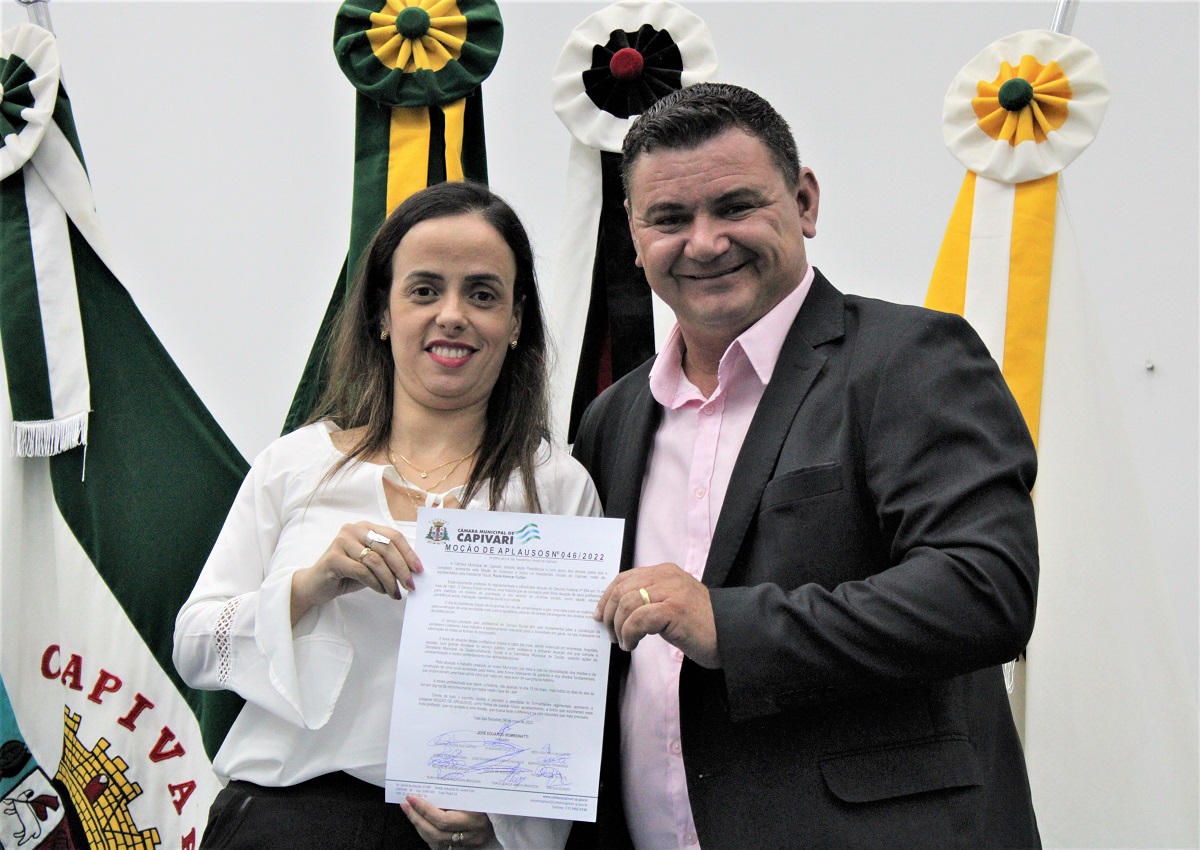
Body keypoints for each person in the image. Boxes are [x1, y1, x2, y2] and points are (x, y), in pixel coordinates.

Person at [570, 83, 1040, 848]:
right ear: (633, 232)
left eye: (735, 206)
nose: (704, 242)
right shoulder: (613, 418)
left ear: (805, 202)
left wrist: (730, 625)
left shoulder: (910, 359)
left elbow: (984, 590)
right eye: (670, 218)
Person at [174, 181, 600, 850]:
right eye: (424, 290)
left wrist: (504, 818)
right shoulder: (296, 465)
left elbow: (570, 699)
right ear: (382, 312)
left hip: (457, 837)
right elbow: (195, 647)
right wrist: (310, 585)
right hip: (287, 823)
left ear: (517, 322)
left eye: (482, 294)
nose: (452, 316)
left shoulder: (557, 488)